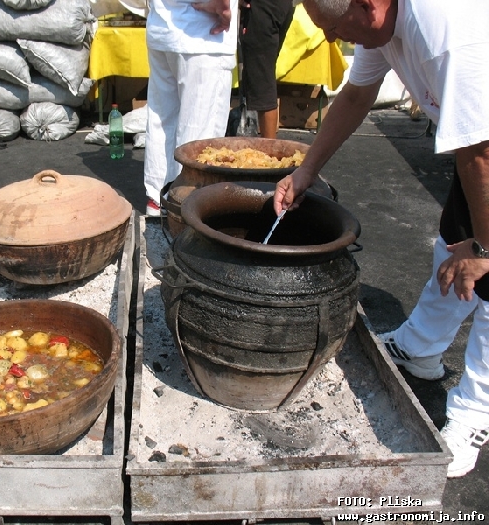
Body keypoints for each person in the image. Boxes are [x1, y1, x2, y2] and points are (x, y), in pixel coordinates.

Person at [273, 0, 489, 478]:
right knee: (454, 239)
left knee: (485, 268)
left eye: (334, 29)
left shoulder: (443, 32)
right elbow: (355, 95)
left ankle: (477, 414)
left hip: (486, 145)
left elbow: (482, 152)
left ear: (367, 6)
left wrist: (486, 249)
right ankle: (422, 348)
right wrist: (307, 169)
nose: (332, 41)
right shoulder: (381, 28)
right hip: (478, 145)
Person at [143, 0, 238, 216]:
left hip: (163, 26)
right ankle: (186, 207)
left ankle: (158, 200)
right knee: (200, 133)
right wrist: (223, 6)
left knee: (163, 119)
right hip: (203, 35)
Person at [238, 0, 294, 138]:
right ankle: (269, 150)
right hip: (278, 6)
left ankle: (269, 152)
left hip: (263, 7)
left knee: (262, 82)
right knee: (263, 77)